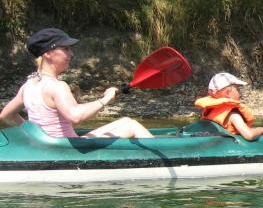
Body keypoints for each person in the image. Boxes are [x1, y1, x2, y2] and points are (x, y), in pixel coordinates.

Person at [0, 27, 153, 138]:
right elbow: (75, 116)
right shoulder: (57, 86)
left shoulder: (28, 86)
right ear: (48, 54)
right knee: (131, 125)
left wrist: (34, 134)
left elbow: (6, 116)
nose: (71, 53)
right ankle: (165, 161)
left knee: (126, 120)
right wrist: (106, 99)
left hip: (49, 147)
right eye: (65, 49)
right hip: (67, 149)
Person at [194, 72, 263, 141]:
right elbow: (249, 135)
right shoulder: (233, 115)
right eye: (237, 89)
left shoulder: (210, 110)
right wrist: (260, 130)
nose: (240, 93)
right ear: (228, 93)